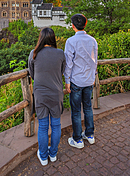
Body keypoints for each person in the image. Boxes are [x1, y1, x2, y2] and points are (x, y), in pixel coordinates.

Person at [28, 27, 66, 166]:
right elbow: (62, 71)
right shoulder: (60, 53)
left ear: (41, 38)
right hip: (56, 93)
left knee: (43, 126)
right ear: (53, 38)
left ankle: (43, 157)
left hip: (40, 94)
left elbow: (32, 74)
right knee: (56, 125)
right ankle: (53, 154)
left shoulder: (34, 54)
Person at [64, 14, 98, 149]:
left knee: (76, 111)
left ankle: (77, 139)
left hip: (76, 81)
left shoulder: (70, 41)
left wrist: (67, 81)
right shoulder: (93, 40)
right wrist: (94, 76)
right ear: (86, 24)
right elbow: (95, 61)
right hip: (89, 80)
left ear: (73, 26)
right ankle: (90, 135)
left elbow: (68, 64)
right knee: (88, 108)